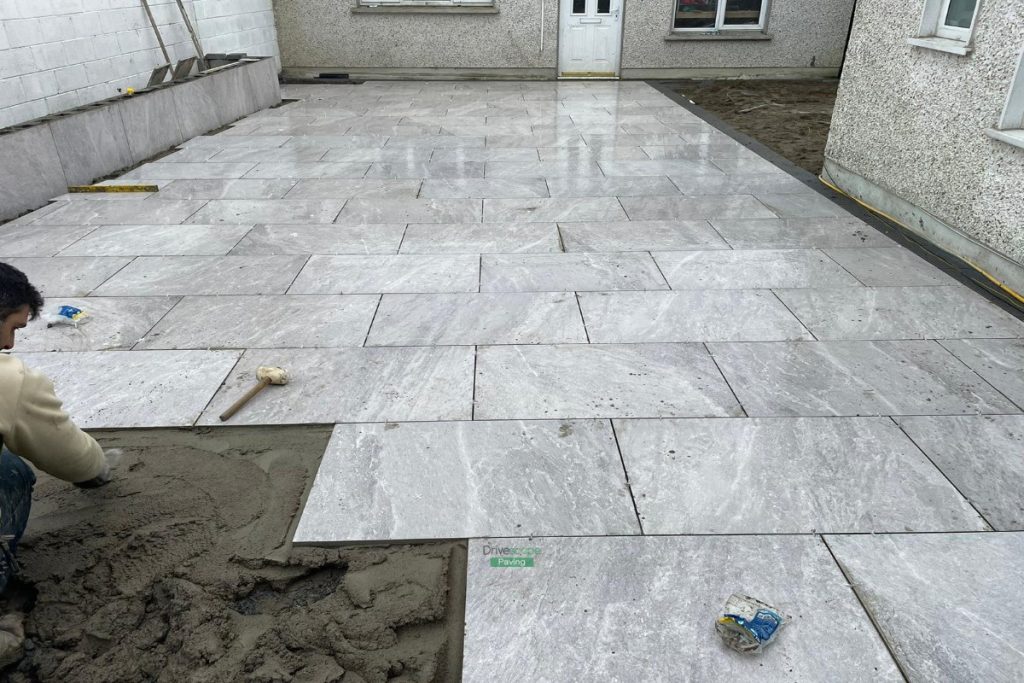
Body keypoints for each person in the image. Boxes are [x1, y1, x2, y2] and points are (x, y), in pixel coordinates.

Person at [0, 262, 121, 664]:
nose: (11, 345)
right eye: (13, 328)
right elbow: (68, 453)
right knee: (10, 475)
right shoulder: (7, 379)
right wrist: (95, 468)